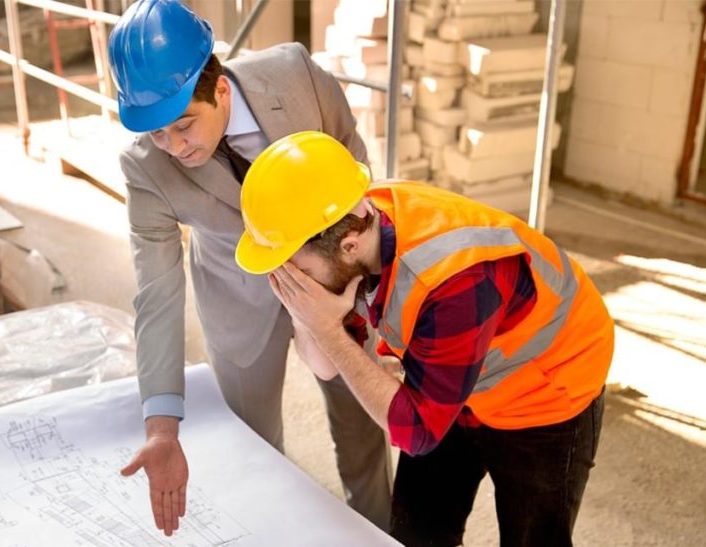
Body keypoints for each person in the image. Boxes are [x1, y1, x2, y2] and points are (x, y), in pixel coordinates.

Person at [235, 130, 615, 546]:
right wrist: (306, 313)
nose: (292, 281)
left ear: (347, 245)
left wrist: (326, 328)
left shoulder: (456, 284)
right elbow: (326, 366)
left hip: (547, 389)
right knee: (417, 533)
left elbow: (416, 431)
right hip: (450, 374)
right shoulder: (354, 228)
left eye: (296, 269)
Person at [107, 0, 392, 537]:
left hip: (336, 281)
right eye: (157, 134)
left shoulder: (299, 78)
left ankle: (376, 530)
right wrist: (162, 427)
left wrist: (370, 298)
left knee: (361, 425)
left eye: (183, 126)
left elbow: (360, 184)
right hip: (237, 296)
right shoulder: (144, 167)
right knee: (254, 443)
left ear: (219, 90)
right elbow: (157, 294)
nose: (174, 147)